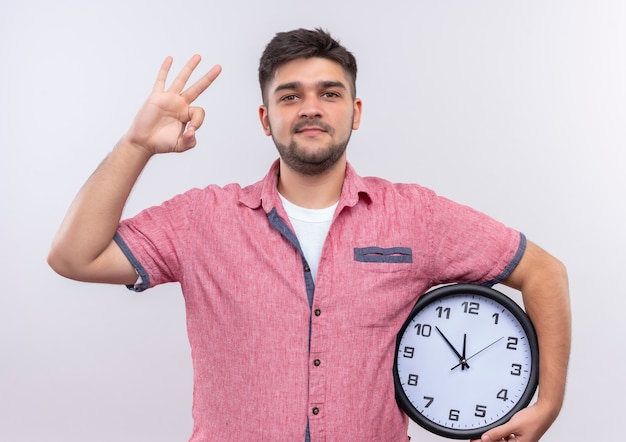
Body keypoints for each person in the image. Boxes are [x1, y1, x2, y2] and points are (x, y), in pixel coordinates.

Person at [48, 28, 570, 442]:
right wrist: (137, 143)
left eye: (330, 93)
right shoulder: (201, 219)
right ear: (265, 118)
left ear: (355, 112)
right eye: (290, 95)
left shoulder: (416, 216)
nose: (311, 108)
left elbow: (543, 271)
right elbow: (74, 257)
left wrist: (548, 404)